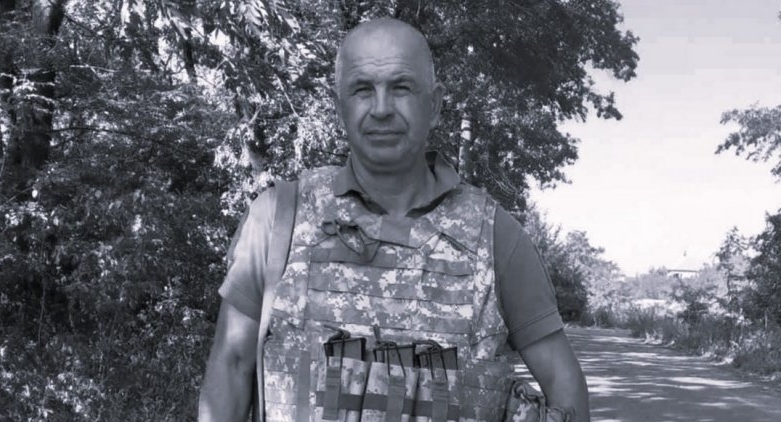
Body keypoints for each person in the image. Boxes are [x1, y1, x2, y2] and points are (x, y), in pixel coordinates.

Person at [199, 17, 590, 422]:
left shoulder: (495, 236)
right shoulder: (279, 218)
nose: (382, 109)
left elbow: (563, 382)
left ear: (434, 105)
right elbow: (232, 364)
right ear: (339, 106)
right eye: (362, 89)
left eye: (401, 87)